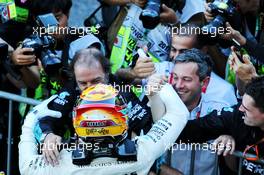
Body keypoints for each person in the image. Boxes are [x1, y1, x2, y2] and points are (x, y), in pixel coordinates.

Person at [18, 79, 189, 175]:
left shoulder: (59, 163)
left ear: (78, 123)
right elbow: (179, 113)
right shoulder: (143, 151)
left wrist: (34, 116)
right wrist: (158, 82)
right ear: (123, 120)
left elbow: (27, 166)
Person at [37, 48, 153, 166]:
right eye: (83, 83)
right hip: (83, 161)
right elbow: (44, 117)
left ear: (106, 74)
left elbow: (146, 126)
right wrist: (48, 135)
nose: (90, 88)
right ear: (75, 79)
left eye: (96, 81)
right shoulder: (70, 90)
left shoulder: (118, 90)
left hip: (119, 161)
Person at [148, 48, 237, 175]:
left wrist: (229, 136)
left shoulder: (219, 110)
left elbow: (234, 165)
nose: (178, 85)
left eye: (186, 79)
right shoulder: (160, 102)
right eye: (175, 77)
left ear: (204, 83)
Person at [175, 75, 264, 175]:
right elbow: (191, 130)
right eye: (241, 104)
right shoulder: (236, 116)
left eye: (247, 109)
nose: (240, 109)